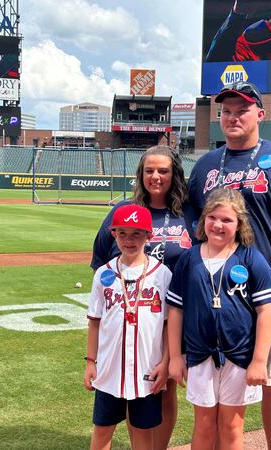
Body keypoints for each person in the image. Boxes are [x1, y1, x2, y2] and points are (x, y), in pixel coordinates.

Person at [187, 80, 271, 450]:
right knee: (217, 388)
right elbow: (193, 228)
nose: (232, 117)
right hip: (218, 298)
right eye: (226, 111)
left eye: (242, 110)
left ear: (260, 114)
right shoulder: (206, 165)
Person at [91, 145, 196, 449]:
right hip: (130, 317)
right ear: (141, 174)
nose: (156, 176)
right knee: (123, 385)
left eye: (163, 170)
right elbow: (101, 263)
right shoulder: (121, 212)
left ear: (174, 173)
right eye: (149, 170)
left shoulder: (188, 213)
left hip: (176, 316)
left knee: (165, 386)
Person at [167, 188, 271, 450]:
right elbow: (175, 310)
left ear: (239, 224)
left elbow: (266, 310)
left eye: (227, 220)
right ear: (204, 219)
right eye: (212, 218)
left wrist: (260, 361)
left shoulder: (251, 259)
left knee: (231, 426)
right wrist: (174, 356)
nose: (218, 225)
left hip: (239, 355)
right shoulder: (189, 259)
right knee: (204, 425)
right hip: (199, 354)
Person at [84, 204, 172, 450]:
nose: (129, 240)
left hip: (147, 369)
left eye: (136, 233)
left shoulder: (162, 274)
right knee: (102, 429)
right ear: (113, 234)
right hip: (109, 369)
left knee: (143, 433)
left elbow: (167, 325)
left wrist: (165, 363)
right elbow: (94, 321)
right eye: (122, 233)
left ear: (149, 235)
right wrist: (91, 362)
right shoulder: (104, 274)